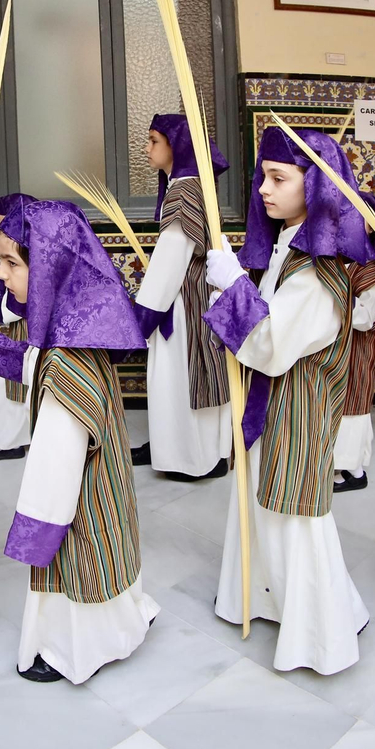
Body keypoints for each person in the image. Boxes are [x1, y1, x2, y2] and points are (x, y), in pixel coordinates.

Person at [0, 199, 158, 683]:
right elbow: (39, 365)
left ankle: (76, 649)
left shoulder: (66, 355)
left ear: (49, 266)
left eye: (11, 262)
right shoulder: (77, 331)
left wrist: (35, 533)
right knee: (110, 557)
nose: (1, 274)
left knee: (78, 567)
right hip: (106, 490)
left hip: (79, 502)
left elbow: (56, 467)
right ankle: (129, 614)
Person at [200, 127, 371, 675]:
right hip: (272, 406)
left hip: (299, 408)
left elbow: (271, 347)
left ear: (315, 184)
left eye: (280, 178)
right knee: (264, 504)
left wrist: (233, 291)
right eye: (262, 177)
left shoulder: (320, 271)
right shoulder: (284, 248)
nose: (265, 190)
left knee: (297, 513)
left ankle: (321, 635)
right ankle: (266, 599)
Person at [130, 115, 231, 480]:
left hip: (183, 304)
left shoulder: (184, 191)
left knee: (179, 379)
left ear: (176, 145)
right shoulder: (193, 186)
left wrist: (142, 317)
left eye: (154, 140)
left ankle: (191, 458)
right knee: (194, 377)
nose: (147, 148)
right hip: (196, 298)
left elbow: (173, 258)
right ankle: (198, 451)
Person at [332, 190, 375, 492]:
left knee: (353, 407)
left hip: (357, 352)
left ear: (370, 226)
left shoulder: (373, 272)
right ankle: (333, 465)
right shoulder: (337, 262)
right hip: (334, 351)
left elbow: (362, 318)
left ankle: (354, 471)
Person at [0, 193, 36, 461]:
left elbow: (13, 308)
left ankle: (9, 442)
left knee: (17, 392)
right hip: (20, 339)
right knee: (10, 390)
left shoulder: (32, 258)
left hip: (27, 337)